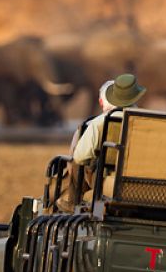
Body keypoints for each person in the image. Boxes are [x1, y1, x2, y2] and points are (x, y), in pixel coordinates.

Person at [57, 73, 146, 211]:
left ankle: (73, 202)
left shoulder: (100, 123)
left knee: (76, 160)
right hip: (142, 179)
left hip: (107, 180)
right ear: (136, 96)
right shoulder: (148, 122)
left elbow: (79, 157)